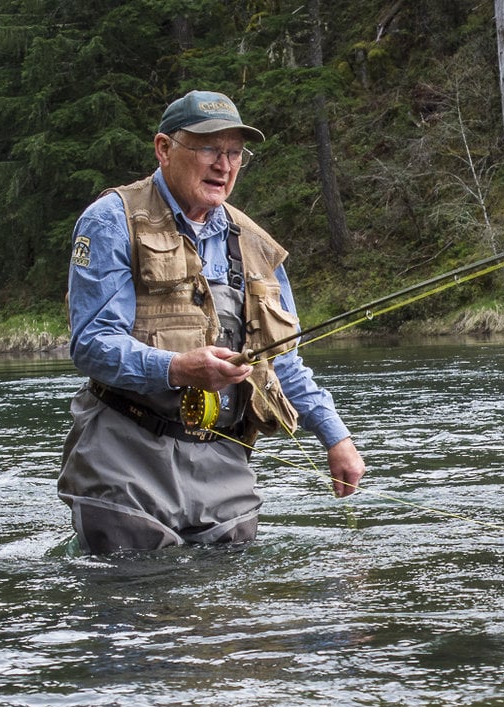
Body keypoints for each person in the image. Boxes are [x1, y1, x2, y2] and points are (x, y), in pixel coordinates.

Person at [58, 90, 365, 554]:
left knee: (230, 613)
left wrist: (335, 436)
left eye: (235, 152)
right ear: (164, 149)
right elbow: (92, 345)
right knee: (138, 593)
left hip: (221, 459)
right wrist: (178, 368)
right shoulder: (111, 221)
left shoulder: (257, 245)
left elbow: (283, 361)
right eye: (208, 148)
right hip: (124, 452)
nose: (224, 165)